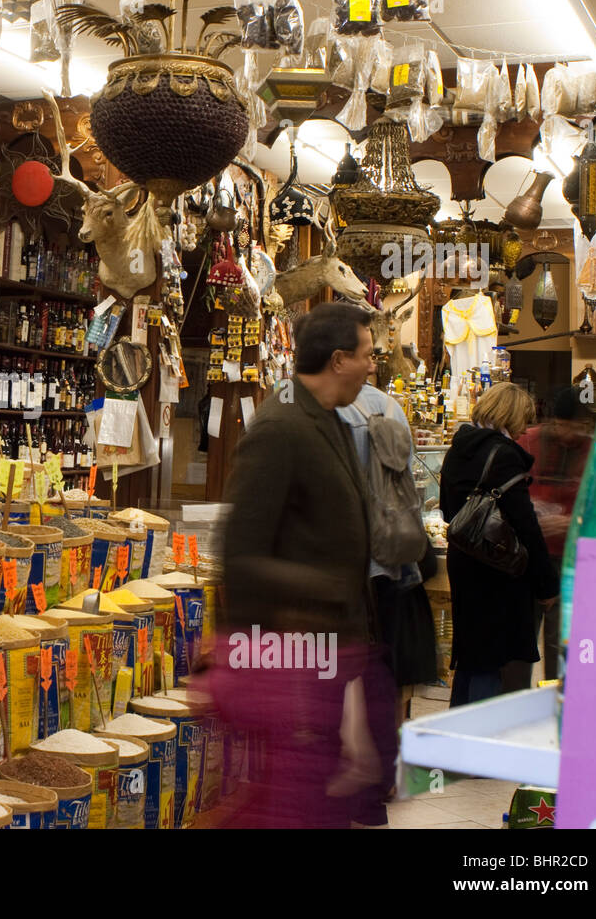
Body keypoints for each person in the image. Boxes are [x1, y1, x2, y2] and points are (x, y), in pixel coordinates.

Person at [207, 302, 380, 829]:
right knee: (290, 805)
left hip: (323, 652)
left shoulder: (330, 418)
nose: (375, 365)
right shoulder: (280, 427)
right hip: (289, 655)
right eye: (368, 354)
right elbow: (238, 553)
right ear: (339, 359)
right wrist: (329, 587)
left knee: (307, 799)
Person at [337, 381, 437, 826]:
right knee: (379, 673)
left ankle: (349, 781)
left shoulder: (313, 405)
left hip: (342, 565)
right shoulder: (387, 405)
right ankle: (378, 781)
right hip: (389, 561)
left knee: (343, 675)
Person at [440, 382, 559, 708]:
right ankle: (478, 742)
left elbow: (449, 510)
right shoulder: (504, 456)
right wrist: (546, 584)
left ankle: (456, 733)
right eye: (523, 418)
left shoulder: (458, 448)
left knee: (469, 655)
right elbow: (526, 526)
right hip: (497, 568)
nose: (524, 427)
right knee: (491, 660)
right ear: (511, 415)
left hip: (463, 560)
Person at [517, 385, 595, 682]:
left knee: (560, 638)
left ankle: (556, 702)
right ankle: (519, 703)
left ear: (586, 425)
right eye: (562, 424)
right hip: (529, 557)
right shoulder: (530, 441)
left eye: (575, 426)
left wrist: (573, 523)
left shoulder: (594, 451)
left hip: (570, 561)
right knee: (522, 638)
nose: (566, 432)